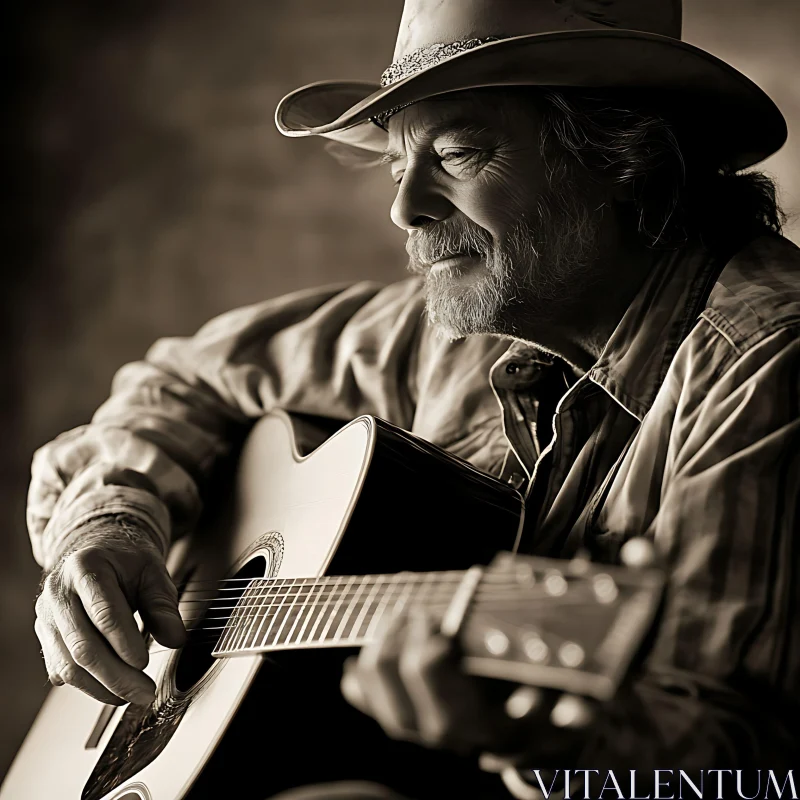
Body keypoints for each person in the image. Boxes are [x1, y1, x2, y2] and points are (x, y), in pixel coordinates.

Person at [28, 0, 799, 798]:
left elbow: (750, 763)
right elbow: (179, 381)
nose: (405, 208)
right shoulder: (469, 322)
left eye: (459, 153)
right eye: (399, 166)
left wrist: (535, 740)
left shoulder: (769, 367)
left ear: (627, 153)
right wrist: (111, 521)